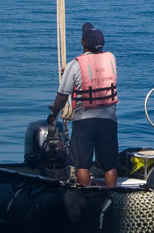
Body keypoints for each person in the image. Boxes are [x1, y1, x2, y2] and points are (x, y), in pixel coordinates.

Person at [50, 21, 119, 188]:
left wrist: (54, 114)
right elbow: (95, 70)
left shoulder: (74, 66)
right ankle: (112, 194)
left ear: (83, 42)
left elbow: (62, 96)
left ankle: (86, 195)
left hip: (84, 120)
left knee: (82, 164)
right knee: (110, 164)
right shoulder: (111, 59)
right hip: (108, 119)